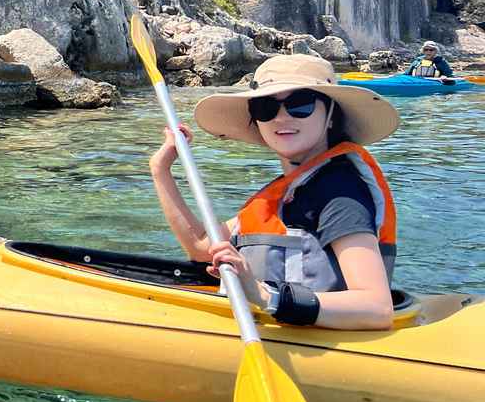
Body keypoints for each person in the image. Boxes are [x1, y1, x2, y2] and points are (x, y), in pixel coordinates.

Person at [149, 55, 402, 330]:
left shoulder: (340, 191)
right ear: (257, 121)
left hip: (318, 347)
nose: (282, 117)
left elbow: (376, 308)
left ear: (330, 116)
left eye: (300, 104)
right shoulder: (288, 189)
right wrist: (160, 170)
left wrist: (265, 296)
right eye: (266, 107)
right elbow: (202, 248)